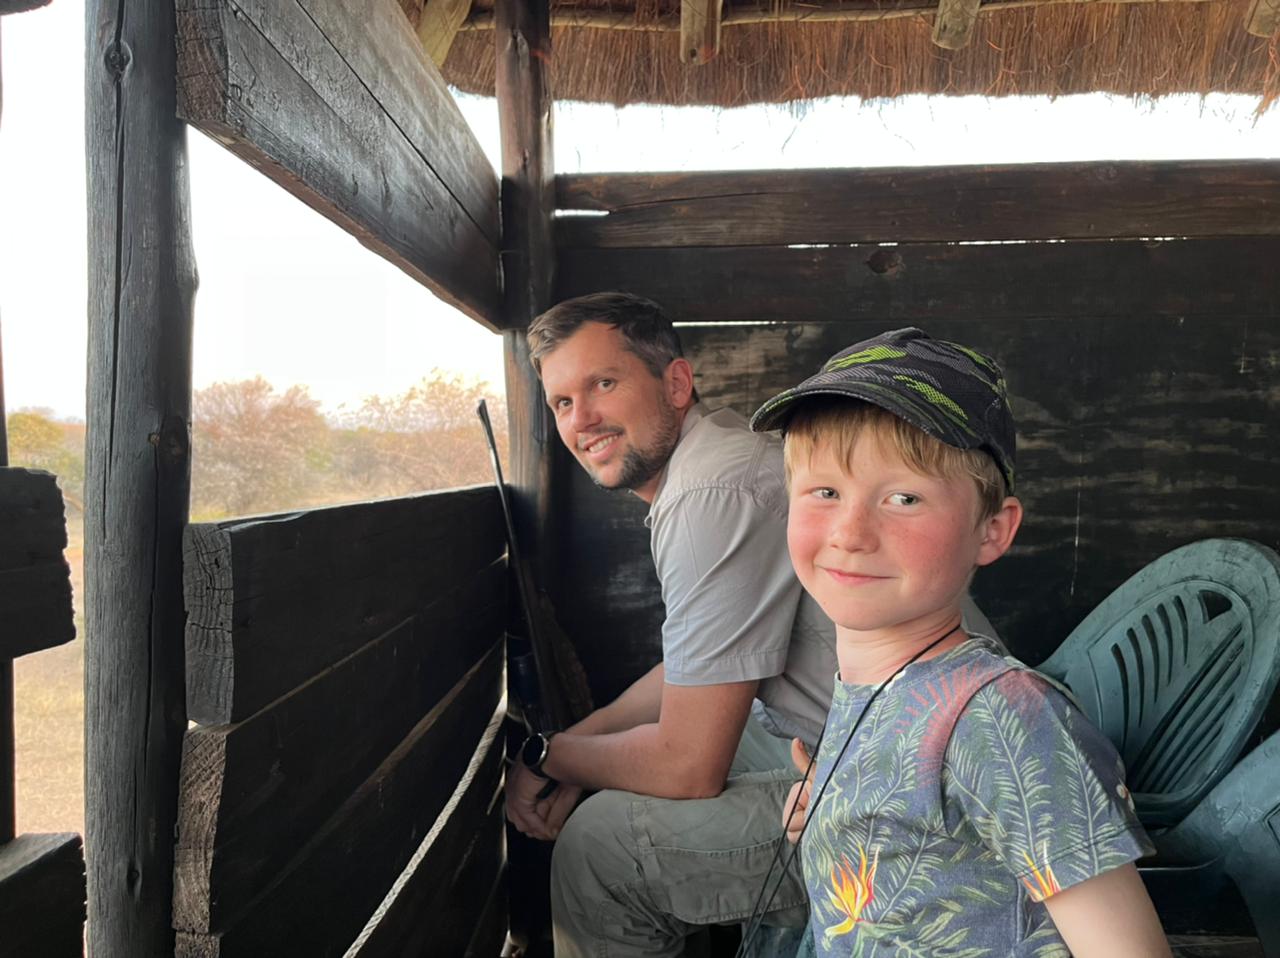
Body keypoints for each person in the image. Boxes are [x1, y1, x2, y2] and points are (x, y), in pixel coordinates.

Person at [505, 293, 996, 957]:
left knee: (600, 850)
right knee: (715, 733)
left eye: (603, 384)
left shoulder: (709, 492)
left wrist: (547, 756)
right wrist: (584, 743)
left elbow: (687, 767)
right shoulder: (718, 460)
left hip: (925, 804)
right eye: (563, 402)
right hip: (894, 746)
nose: (582, 418)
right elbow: (703, 664)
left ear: (676, 383)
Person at [753, 327, 1170, 956]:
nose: (850, 532)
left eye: (904, 497)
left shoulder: (1002, 719)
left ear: (992, 530)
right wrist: (837, 822)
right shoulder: (873, 681)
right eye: (826, 492)